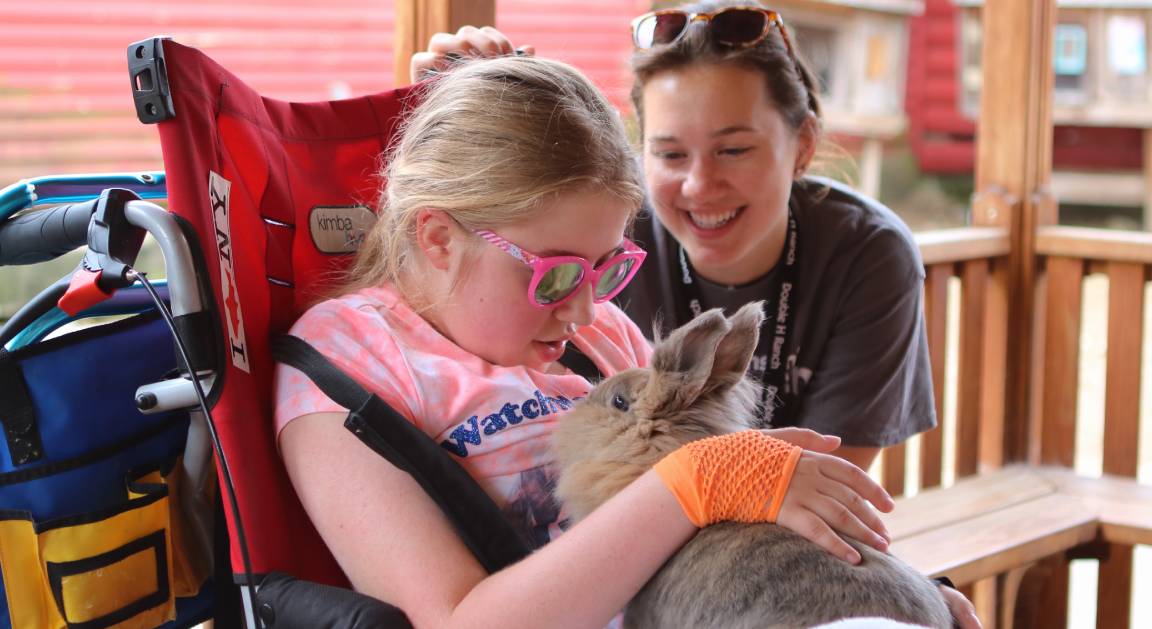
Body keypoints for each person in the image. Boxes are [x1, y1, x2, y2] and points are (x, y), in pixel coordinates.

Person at [274, 54, 895, 628]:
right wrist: (690, 484)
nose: (584, 308)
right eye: (554, 274)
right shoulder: (348, 365)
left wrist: (883, 592)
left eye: (607, 268)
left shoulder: (597, 336)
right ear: (438, 237)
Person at [411, 1, 936, 474]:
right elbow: (450, 246)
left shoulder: (868, 254)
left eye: (733, 151)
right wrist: (434, 111)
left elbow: (823, 484)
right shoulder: (603, 236)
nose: (699, 186)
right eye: (669, 154)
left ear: (802, 146)